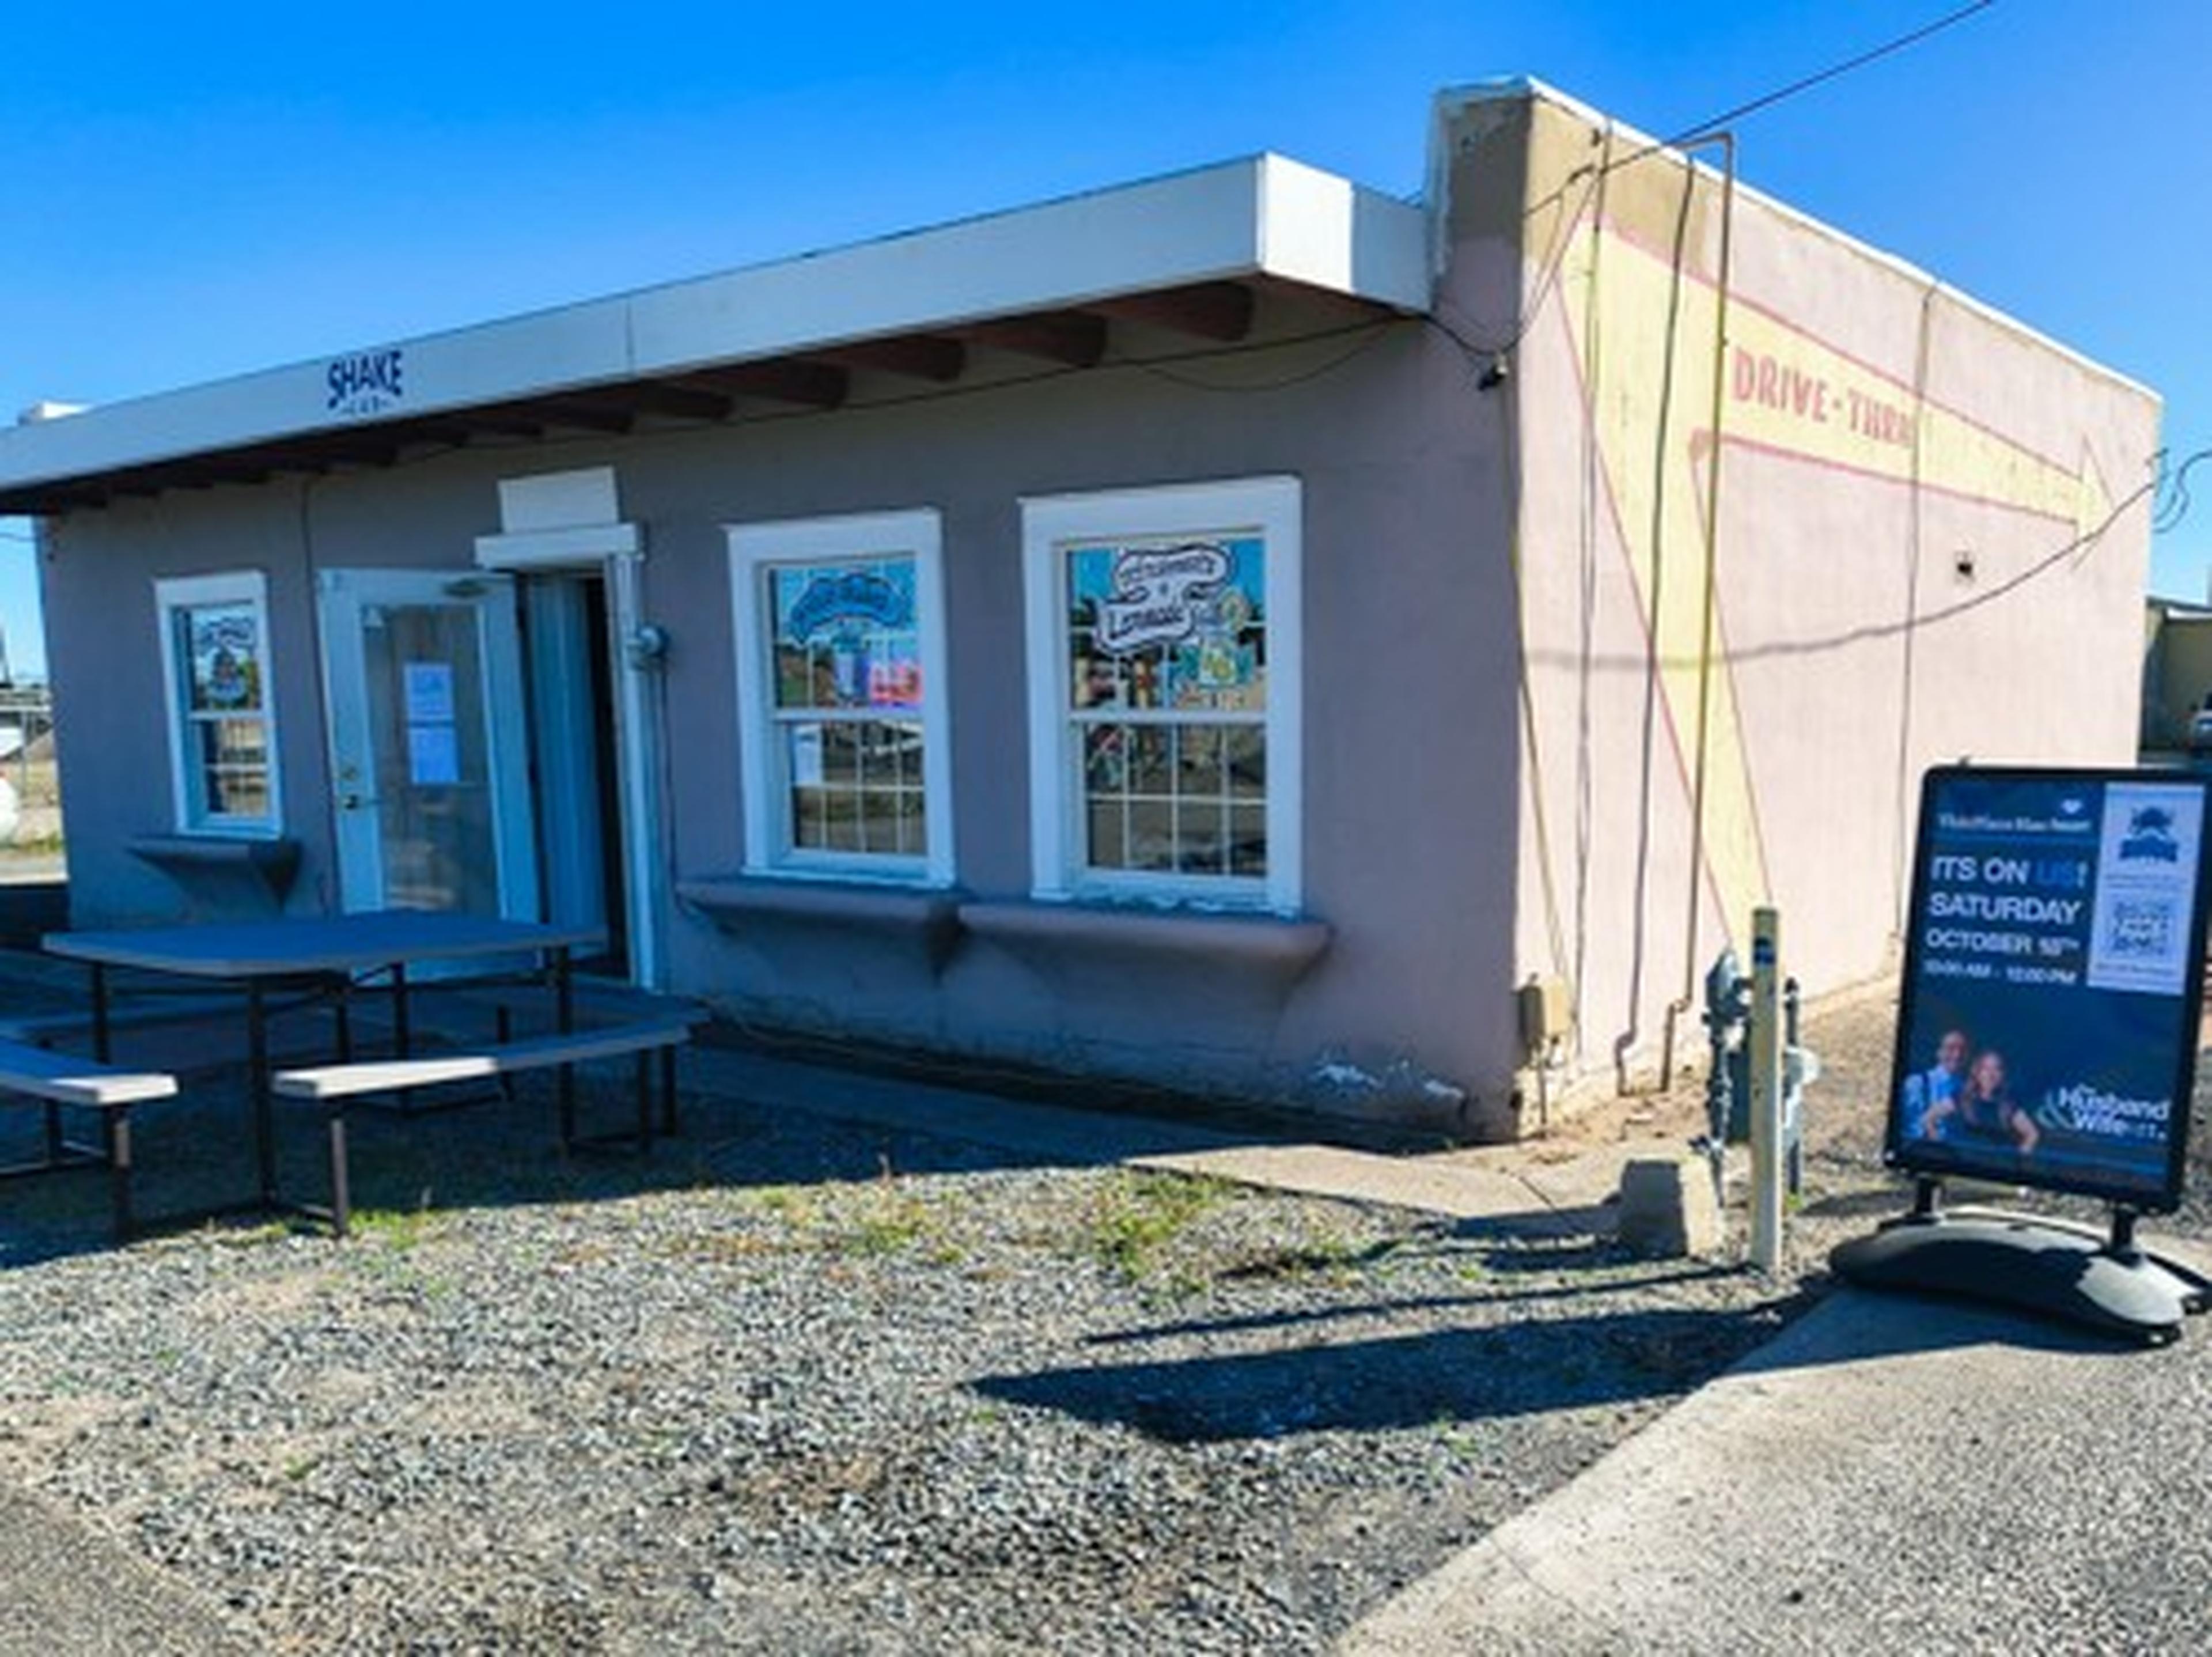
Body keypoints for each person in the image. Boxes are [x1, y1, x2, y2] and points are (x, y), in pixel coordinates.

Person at [1926, 1047, 2040, 1156]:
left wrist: (2017, 1162)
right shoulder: (1962, 1100)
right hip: (1961, 1165)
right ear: (1977, 1073)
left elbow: (2032, 1134)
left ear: (2003, 1075)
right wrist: (1940, 1150)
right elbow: (1929, 1118)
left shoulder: (2008, 1107)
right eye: (1986, 1069)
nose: (1991, 1075)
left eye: (1997, 1069)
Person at [1898, 1028, 1968, 1140]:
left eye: (1962, 1050)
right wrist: (1930, 1118)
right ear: (1939, 1052)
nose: (1957, 1055)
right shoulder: (1917, 1084)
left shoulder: (1969, 1090)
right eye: (1951, 1049)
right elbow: (1903, 1128)